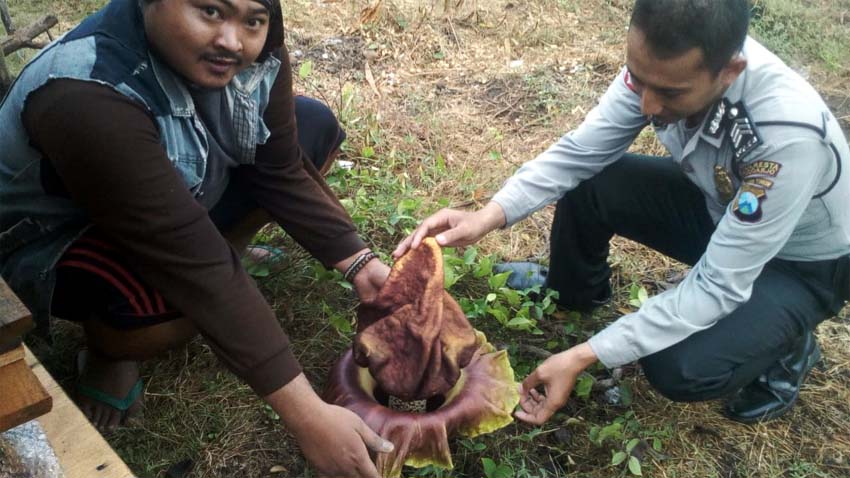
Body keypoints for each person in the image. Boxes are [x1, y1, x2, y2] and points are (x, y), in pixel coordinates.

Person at [396, 0, 850, 426]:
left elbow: (718, 284)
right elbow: (581, 153)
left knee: (677, 366)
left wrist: (585, 355)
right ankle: (574, 292)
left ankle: (788, 344)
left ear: (730, 71)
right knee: (593, 178)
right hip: (721, 210)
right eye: (638, 78)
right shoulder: (665, 67)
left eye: (669, 92)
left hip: (799, 263)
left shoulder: (787, 136)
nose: (648, 106)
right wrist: (488, 215)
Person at [0, 0, 394, 476]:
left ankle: (230, 264)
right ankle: (110, 350)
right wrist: (308, 416)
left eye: (252, 20)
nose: (232, 41)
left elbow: (281, 170)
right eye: (210, 10)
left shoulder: (255, 43)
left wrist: (362, 266)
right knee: (157, 305)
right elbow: (194, 265)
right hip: (58, 236)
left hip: (172, 191)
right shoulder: (84, 93)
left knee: (314, 127)